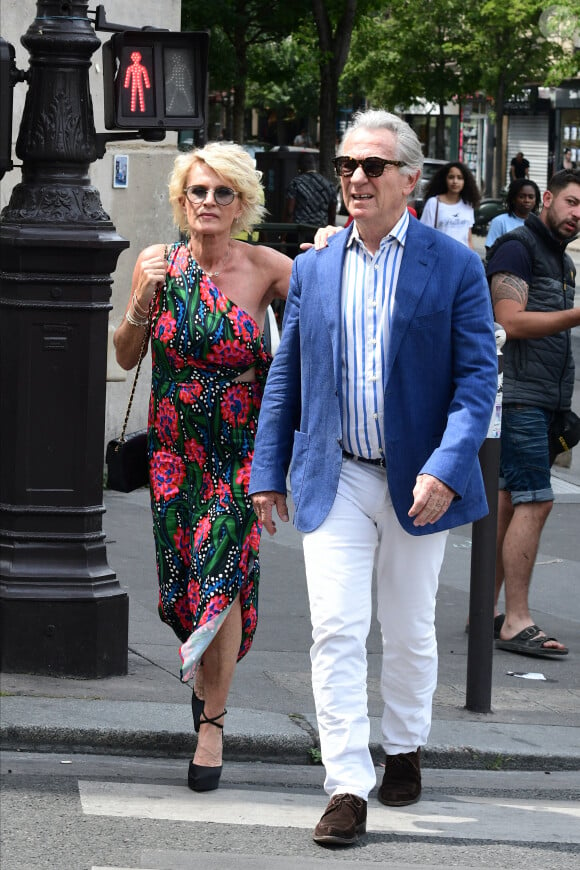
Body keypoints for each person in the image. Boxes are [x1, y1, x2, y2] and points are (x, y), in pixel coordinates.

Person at [249, 109, 498, 847]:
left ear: (409, 180)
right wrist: (269, 470)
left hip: (421, 478)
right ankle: (347, 785)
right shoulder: (318, 265)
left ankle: (407, 742)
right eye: (349, 164)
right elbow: (287, 373)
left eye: (373, 167)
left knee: (411, 628)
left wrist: (448, 468)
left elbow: (476, 380)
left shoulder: (452, 264)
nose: (356, 177)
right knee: (336, 629)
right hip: (338, 475)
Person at [113, 142, 291, 792]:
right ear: (181, 201)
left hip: (238, 456)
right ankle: (207, 674)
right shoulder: (160, 265)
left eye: (223, 193)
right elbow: (128, 355)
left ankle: (212, 722)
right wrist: (142, 298)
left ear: (243, 203)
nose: (209, 203)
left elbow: (317, 335)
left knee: (220, 576)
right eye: (198, 192)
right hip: (172, 456)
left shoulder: (270, 268)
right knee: (182, 595)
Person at [487, 168, 580, 658]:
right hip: (519, 395)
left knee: (508, 503)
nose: (577, 214)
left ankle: (485, 612)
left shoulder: (561, 262)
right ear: (548, 198)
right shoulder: (517, 248)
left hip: (543, 398)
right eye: (571, 201)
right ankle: (515, 620)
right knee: (535, 501)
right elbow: (511, 321)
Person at [420, 161, 480, 248]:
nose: (455, 181)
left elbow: (468, 239)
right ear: (445, 179)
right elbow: (425, 234)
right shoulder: (433, 203)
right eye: (451, 177)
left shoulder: (468, 204)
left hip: (463, 258)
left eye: (460, 178)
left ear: (465, 181)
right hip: (441, 256)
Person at [485, 178, 541, 256]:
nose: (527, 200)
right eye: (522, 196)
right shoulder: (499, 222)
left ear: (536, 200)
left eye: (531, 197)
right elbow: (490, 252)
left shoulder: (540, 224)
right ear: (513, 199)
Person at [284, 152, 337, 227]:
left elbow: (289, 212)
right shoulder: (329, 185)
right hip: (320, 231)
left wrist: (283, 235)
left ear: (299, 167)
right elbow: (332, 216)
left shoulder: (296, 183)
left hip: (300, 231)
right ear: (314, 165)